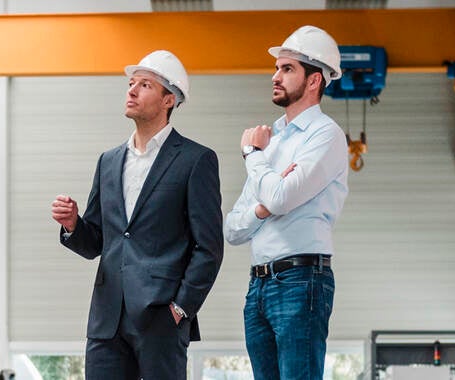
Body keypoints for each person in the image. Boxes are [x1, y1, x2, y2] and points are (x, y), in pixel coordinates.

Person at [52, 50, 224, 380]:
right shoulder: (108, 161)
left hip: (161, 317)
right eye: (131, 83)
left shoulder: (195, 160)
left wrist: (180, 309)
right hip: (107, 319)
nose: (131, 90)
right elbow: (96, 242)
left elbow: (209, 248)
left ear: (169, 99)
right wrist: (74, 225)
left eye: (144, 85)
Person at [224, 25, 351, 380]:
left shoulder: (325, 136)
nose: (275, 76)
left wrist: (252, 155)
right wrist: (265, 205)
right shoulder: (273, 142)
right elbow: (233, 228)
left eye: (287, 69)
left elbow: (280, 196)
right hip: (258, 284)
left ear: (314, 81)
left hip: (301, 279)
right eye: (277, 68)